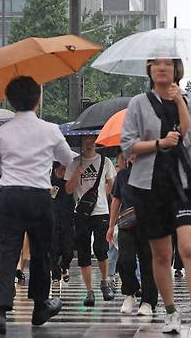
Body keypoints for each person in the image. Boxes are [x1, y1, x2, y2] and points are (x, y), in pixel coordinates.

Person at [121, 58, 191, 335]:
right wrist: (159, 143)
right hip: (149, 186)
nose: (161, 67)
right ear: (149, 70)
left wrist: (180, 104)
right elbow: (128, 145)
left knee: (189, 248)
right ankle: (171, 311)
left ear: (177, 69)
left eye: (168, 63)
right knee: (160, 254)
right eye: (155, 63)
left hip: (184, 185)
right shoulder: (138, 103)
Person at [0, 75, 74, 334]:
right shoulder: (50, 130)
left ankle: (1, 311)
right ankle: (40, 306)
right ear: (38, 99)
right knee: (41, 251)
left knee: (7, 251)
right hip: (39, 197)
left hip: (9, 196)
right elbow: (66, 158)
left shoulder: (0, 134)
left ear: (11, 101)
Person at [65, 135, 116, 306]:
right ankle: (89, 291)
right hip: (81, 213)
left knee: (101, 249)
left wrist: (99, 195)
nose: (89, 141)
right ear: (81, 142)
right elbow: (68, 189)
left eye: (92, 138)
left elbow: (111, 185)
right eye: (85, 139)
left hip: (101, 211)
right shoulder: (74, 163)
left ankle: (104, 282)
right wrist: (77, 174)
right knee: (84, 253)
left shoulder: (105, 161)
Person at [106, 152, 157, 316]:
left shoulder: (152, 173)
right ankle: (130, 292)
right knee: (125, 260)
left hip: (148, 224)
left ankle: (148, 301)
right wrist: (110, 225)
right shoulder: (122, 175)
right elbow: (116, 200)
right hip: (127, 224)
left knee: (147, 263)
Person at [50, 162, 74, 283]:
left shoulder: (69, 180)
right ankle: (55, 276)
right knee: (53, 249)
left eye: (65, 169)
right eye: (62, 169)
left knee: (68, 249)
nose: (63, 171)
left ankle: (64, 266)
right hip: (52, 219)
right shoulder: (49, 180)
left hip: (68, 219)